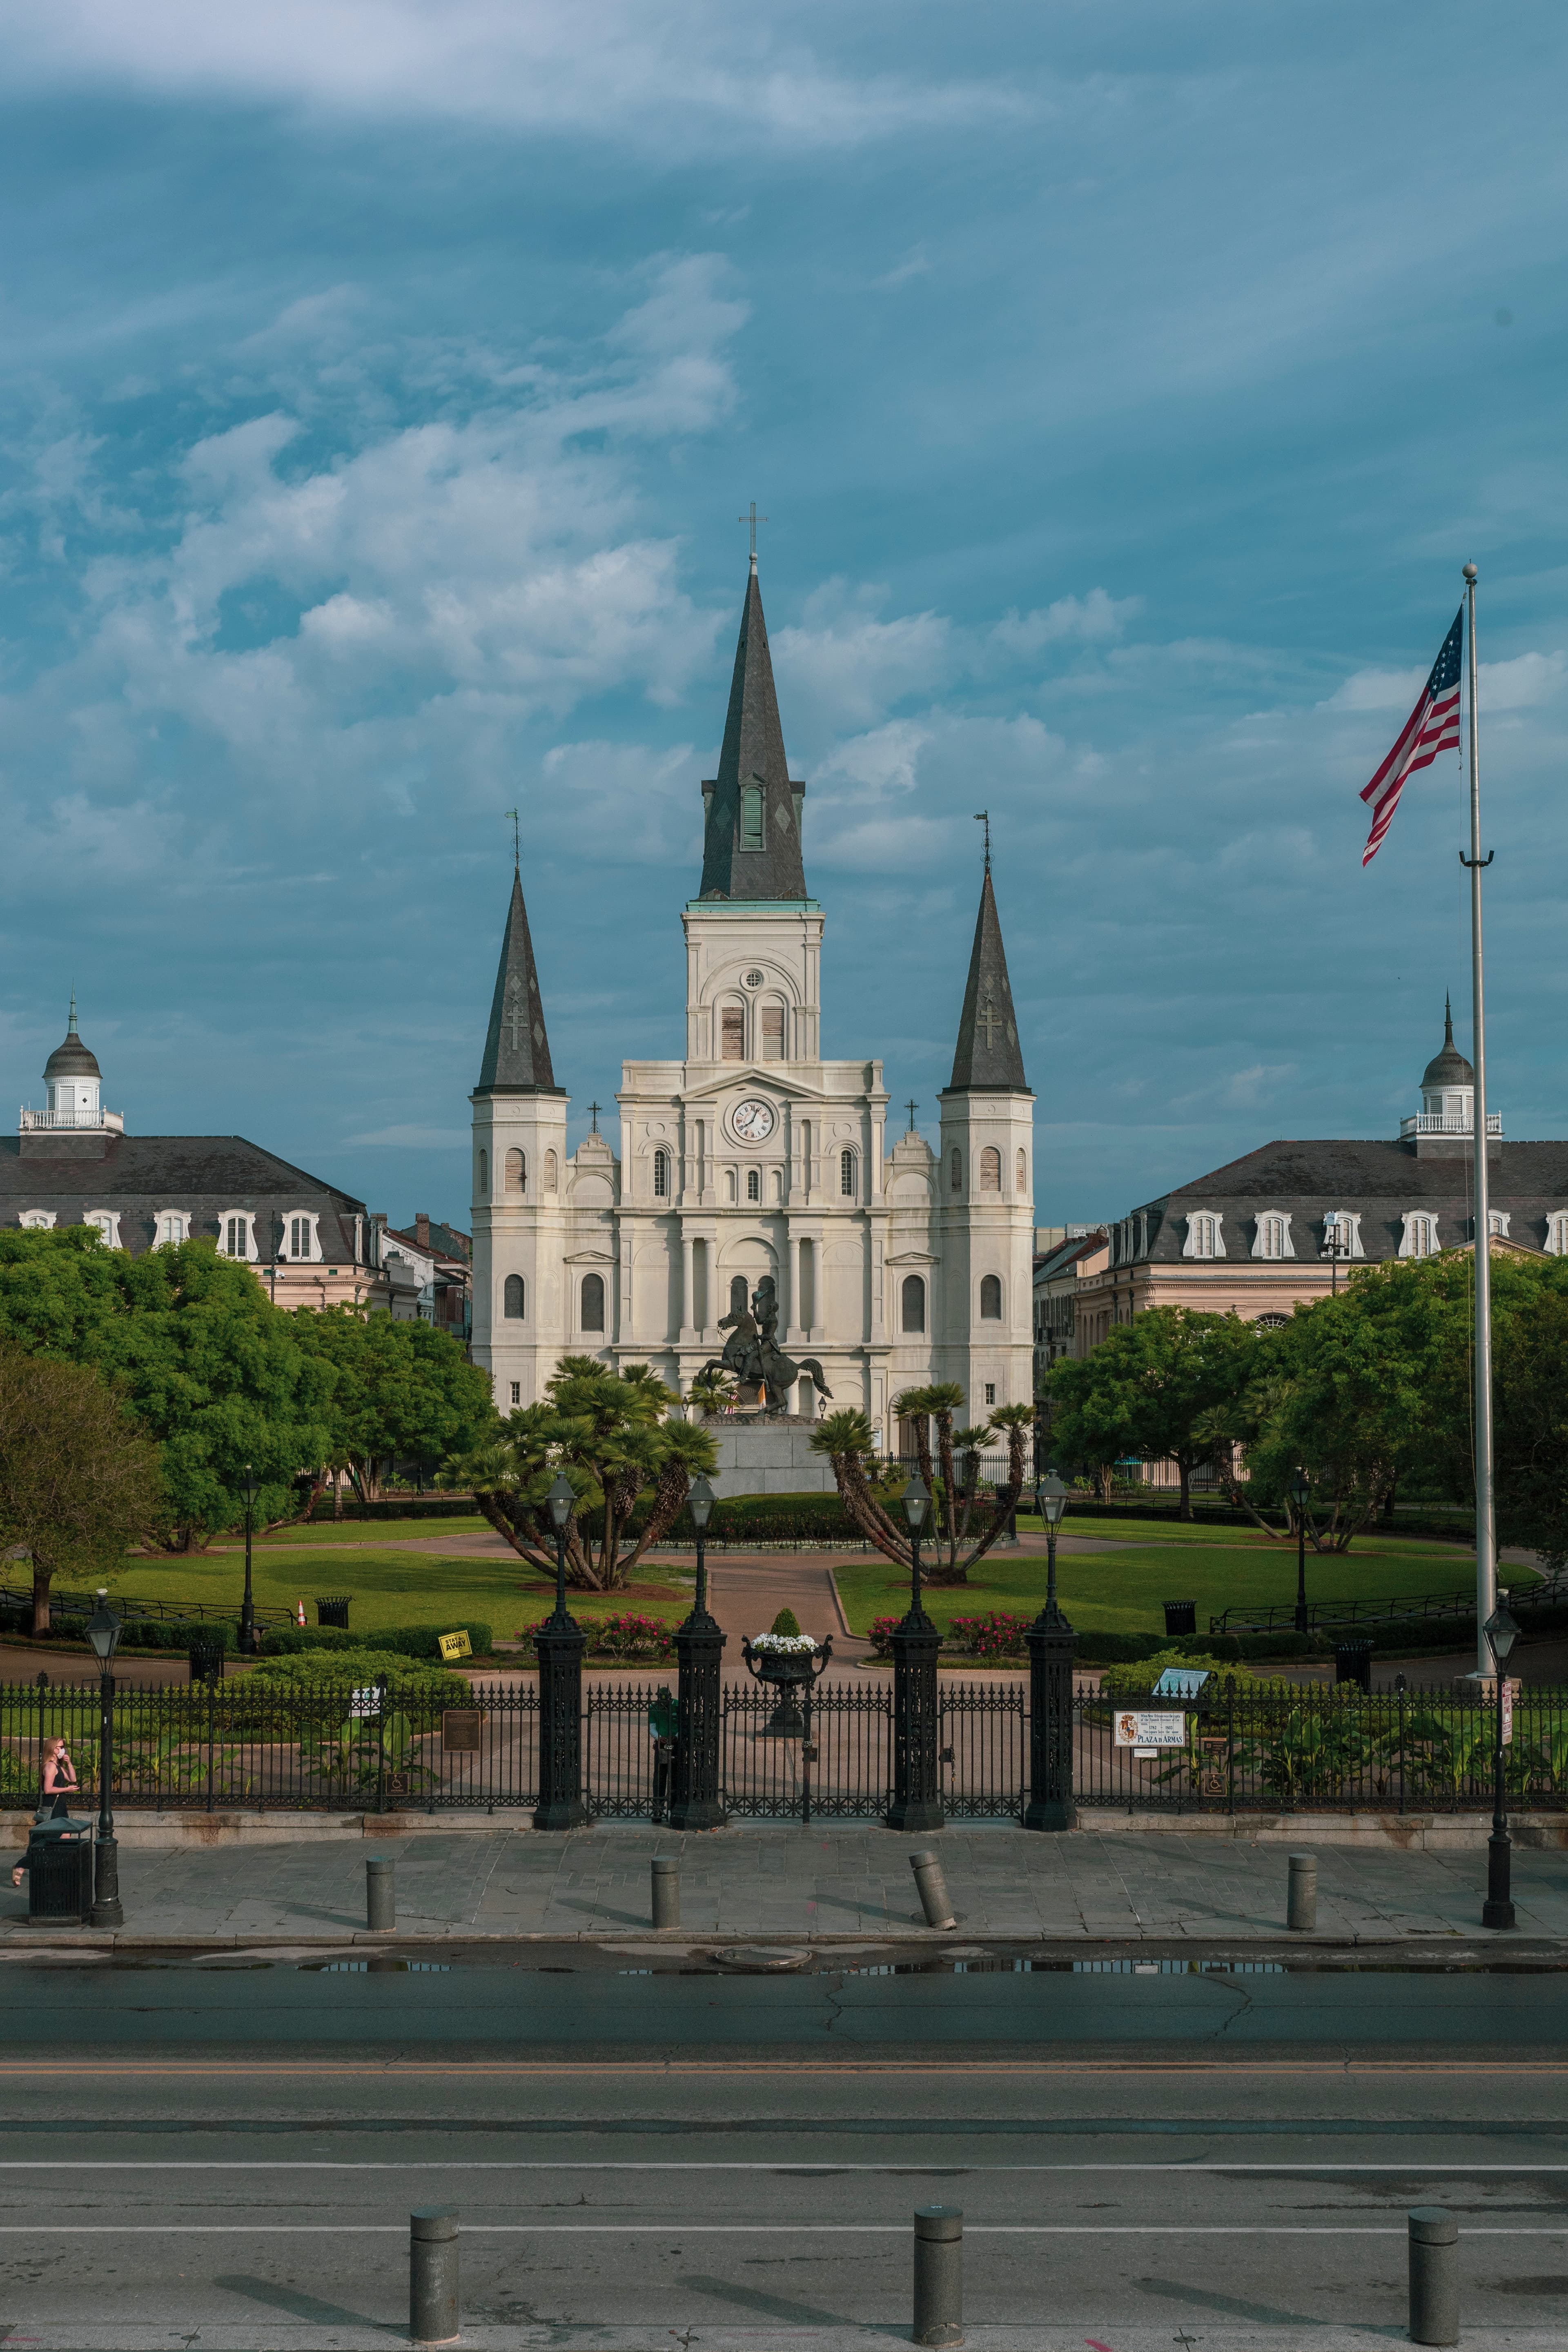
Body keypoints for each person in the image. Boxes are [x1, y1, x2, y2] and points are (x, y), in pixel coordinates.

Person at [11, 1736, 78, 1888]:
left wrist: (69, 1763)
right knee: (43, 1844)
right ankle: (22, 1865)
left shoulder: (59, 1767)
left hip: (61, 1808)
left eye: (63, 1747)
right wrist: (66, 1790)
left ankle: (57, 1872)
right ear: (52, 1749)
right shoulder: (49, 1767)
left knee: (64, 1839)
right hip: (52, 1809)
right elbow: (48, 1790)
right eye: (59, 1748)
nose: (62, 1750)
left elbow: (73, 1779)